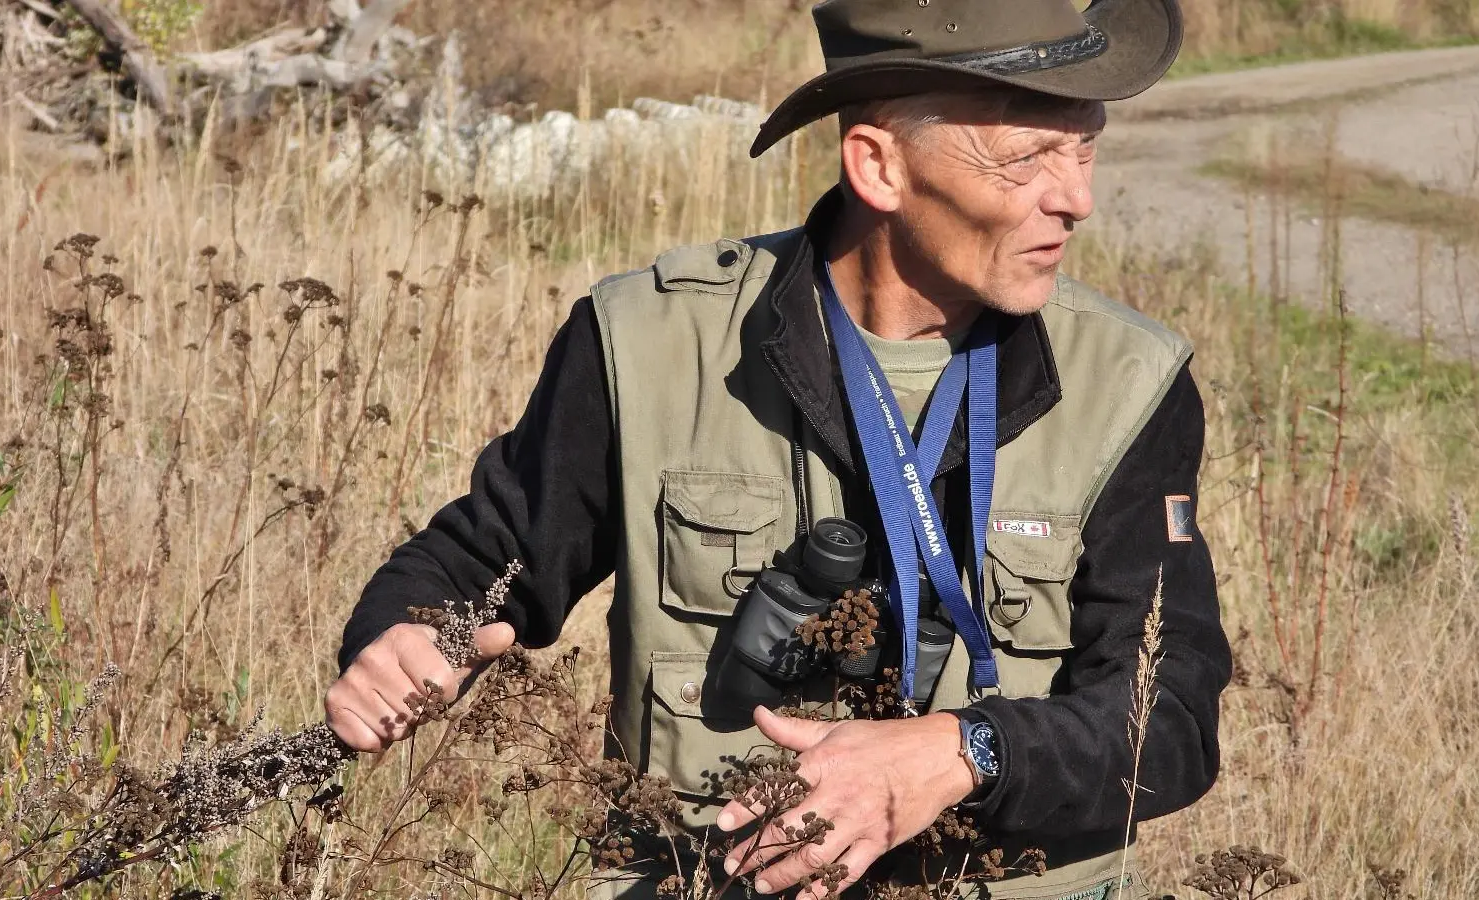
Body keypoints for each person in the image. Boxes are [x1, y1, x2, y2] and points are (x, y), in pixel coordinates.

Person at [326, 0, 1232, 897]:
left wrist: (967, 751)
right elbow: (488, 557)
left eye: (1084, 146)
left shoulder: (1130, 383)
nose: (1076, 198)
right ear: (878, 164)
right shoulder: (647, 344)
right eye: (1028, 155)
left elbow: (1172, 716)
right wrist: (406, 636)